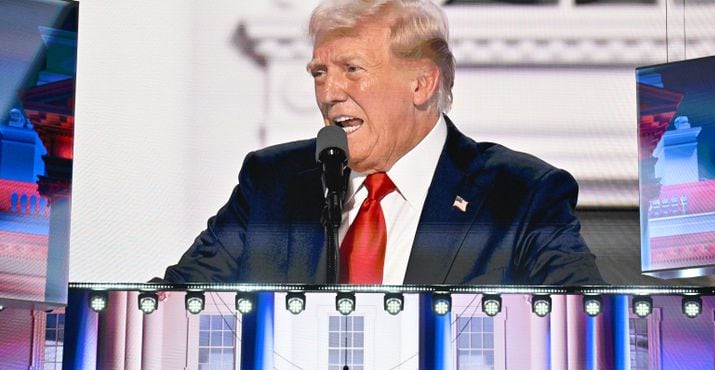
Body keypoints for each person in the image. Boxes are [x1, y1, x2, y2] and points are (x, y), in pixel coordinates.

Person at [163, 0, 604, 286]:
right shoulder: (270, 183)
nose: (329, 92)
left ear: (421, 83)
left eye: (352, 69)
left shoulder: (520, 193)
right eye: (319, 72)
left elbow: (586, 322)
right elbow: (170, 307)